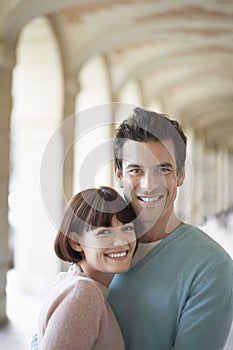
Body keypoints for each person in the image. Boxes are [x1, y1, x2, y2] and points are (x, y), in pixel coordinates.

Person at [108, 107, 233, 350]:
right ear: (119, 175)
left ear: (180, 175)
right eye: (136, 170)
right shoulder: (97, 242)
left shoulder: (211, 268)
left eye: (163, 169)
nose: (149, 185)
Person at [36, 186, 136, 350]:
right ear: (76, 242)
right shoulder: (83, 294)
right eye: (104, 233)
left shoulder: (78, 286)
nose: (121, 242)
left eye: (127, 228)